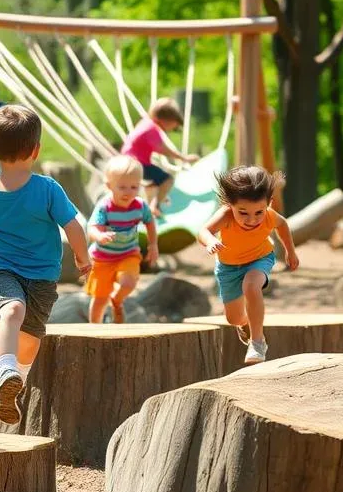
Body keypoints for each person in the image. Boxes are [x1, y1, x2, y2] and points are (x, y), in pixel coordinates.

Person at [0, 104, 91, 425]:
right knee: (12, 310)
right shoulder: (39, 188)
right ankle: (6, 370)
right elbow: (74, 227)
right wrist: (83, 256)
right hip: (0, 267)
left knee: (33, 335)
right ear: (36, 150)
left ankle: (13, 384)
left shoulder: (17, 190)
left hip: (41, 276)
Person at [197, 165, 298, 366]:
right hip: (229, 267)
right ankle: (246, 323)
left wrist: (290, 251)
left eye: (258, 212)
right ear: (230, 205)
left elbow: (283, 225)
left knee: (251, 286)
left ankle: (258, 342)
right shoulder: (225, 215)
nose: (252, 220)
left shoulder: (269, 215)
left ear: (268, 203)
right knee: (234, 319)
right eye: (243, 213)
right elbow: (203, 231)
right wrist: (210, 242)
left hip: (260, 258)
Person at [86, 155, 158, 324]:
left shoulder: (140, 206)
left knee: (128, 282)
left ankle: (117, 300)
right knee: (99, 299)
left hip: (128, 253)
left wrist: (153, 244)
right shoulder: (104, 206)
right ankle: (93, 327)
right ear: (109, 186)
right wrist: (100, 236)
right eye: (122, 187)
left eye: (134, 187)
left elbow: (150, 222)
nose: (128, 192)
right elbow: (92, 228)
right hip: (102, 258)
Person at [120, 97, 200, 218]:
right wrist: (184, 158)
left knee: (153, 184)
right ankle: (154, 206)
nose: (173, 129)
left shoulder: (145, 122)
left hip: (127, 160)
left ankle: (149, 205)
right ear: (166, 120)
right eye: (174, 125)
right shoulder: (152, 128)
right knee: (167, 180)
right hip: (136, 163)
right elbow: (163, 149)